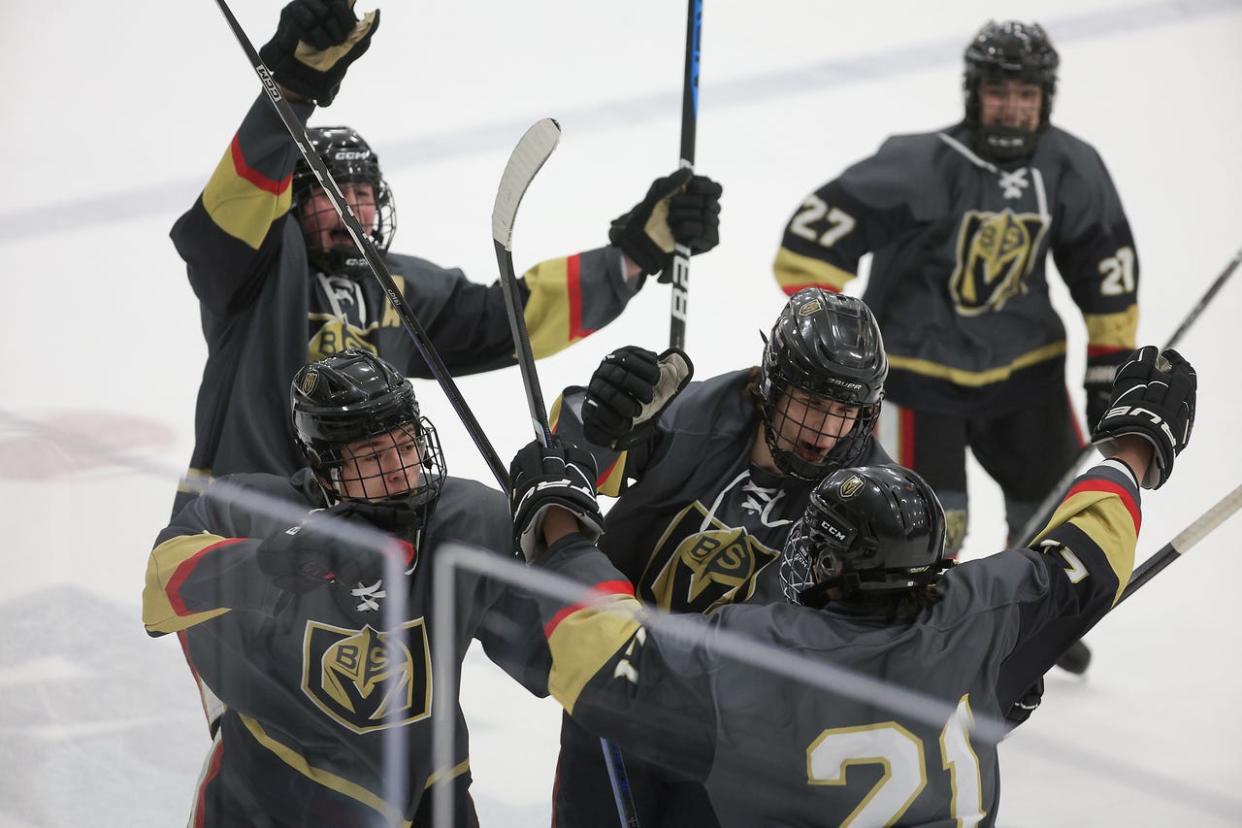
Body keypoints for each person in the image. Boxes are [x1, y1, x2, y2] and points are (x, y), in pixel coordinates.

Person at [507, 345, 1195, 825]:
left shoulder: (756, 654)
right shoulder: (977, 623)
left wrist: (561, 528)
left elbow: (601, 660)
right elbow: (1089, 556)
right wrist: (1133, 450)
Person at [170, 0, 723, 513]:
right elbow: (227, 217)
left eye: (365, 194)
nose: (354, 209)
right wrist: (289, 93)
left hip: (354, 537)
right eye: (333, 193)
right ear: (289, 199)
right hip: (239, 528)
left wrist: (634, 253)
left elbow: (506, 317)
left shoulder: (395, 287)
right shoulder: (256, 269)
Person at [772, 20, 1139, 563]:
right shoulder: (921, 165)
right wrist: (834, 347)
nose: (1012, 108)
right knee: (918, 528)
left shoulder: (1071, 167)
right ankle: (926, 628)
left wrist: (1110, 365)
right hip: (919, 381)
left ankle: (1026, 618)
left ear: (1046, 98)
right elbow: (806, 248)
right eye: (998, 92)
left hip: (1027, 377)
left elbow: (1106, 270)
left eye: (1026, 95)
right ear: (974, 93)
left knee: (1052, 515)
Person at [143, 349, 549, 826]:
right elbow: (160, 589)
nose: (400, 467)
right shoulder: (255, 509)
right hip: (273, 791)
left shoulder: (471, 521)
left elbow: (562, 651)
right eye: (374, 455)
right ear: (325, 466)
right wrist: (268, 561)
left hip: (427, 788)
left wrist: (566, 528)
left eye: (406, 444)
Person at [545, 286, 891, 825]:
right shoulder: (695, 415)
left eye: (845, 411)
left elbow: (907, 613)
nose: (825, 433)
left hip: (739, 736)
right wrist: (603, 421)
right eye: (813, 403)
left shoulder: (870, 496)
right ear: (773, 386)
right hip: (620, 683)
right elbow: (567, 465)